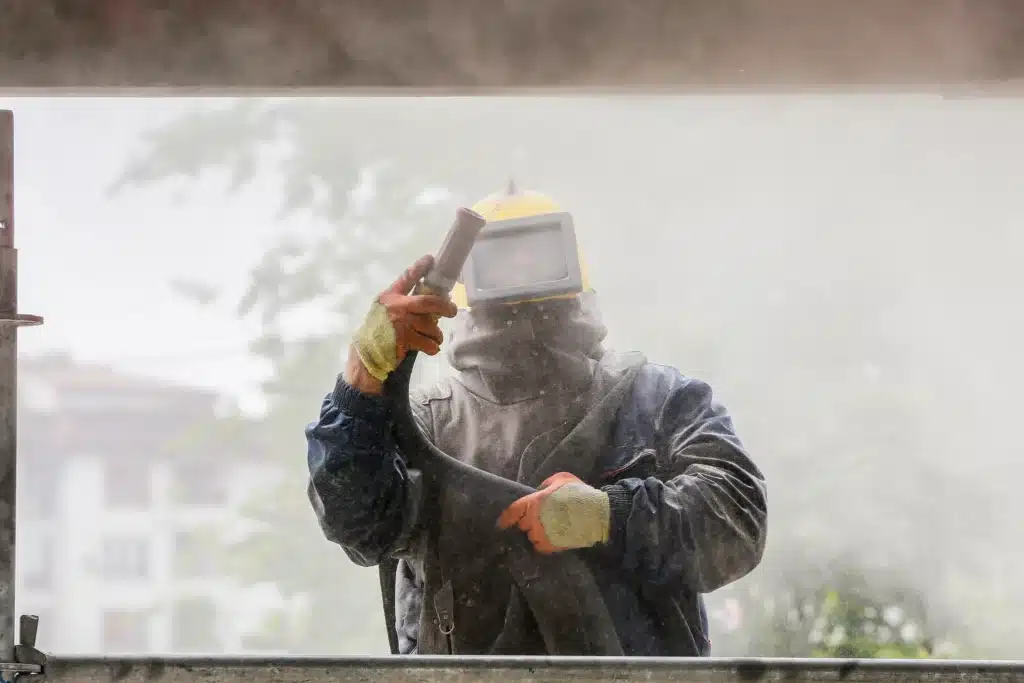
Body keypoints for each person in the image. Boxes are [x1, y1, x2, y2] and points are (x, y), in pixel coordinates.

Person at [305, 186, 768, 656]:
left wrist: (609, 515)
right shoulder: (425, 421)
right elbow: (358, 525)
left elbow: (738, 521)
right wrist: (361, 382)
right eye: (504, 260)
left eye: (536, 255)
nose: (521, 274)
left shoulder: (657, 400)